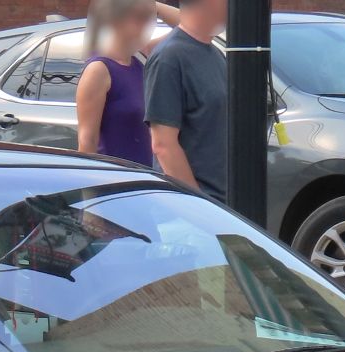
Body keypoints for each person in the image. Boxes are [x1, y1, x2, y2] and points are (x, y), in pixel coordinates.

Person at [75, 0, 181, 166]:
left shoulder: (141, 57)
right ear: (115, 22)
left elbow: (190, 26)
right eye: (138, 19)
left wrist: (152, 4)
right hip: (114, 182)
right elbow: (87, 142)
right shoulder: (99, 70)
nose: (145, 27)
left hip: (144, 178)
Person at [144, 0, 229, 202]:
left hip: (222, 206)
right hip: (189, 211)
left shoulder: (216, 54)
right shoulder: (168, 57)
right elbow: (163, 145)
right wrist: (199, 205)